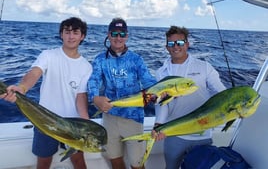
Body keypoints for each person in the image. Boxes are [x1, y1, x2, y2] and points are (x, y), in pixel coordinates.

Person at [0, 17, 92, 169]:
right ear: (61, 34)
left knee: (79, 161)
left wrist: (86, 121)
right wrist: (22, 88)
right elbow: (35, 73)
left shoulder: (86, 66)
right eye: (67, 32)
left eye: (75, 32)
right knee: (43, 162)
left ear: (82, 36)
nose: (71, 36)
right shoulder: (48, 55)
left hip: (73, 125)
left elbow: (80, 97)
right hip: (44, 120)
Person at [153, 25, 226, 169]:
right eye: (171, 43)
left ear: (187, 44)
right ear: (166, 47)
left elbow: (221, 93)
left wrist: (235, 107)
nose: (175, 47)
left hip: (202, 134)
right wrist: (159, 123)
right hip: (174, 134)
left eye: (180, 42)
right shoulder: (161, 72)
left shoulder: (204, 67)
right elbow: (162, 103)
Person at [88, 17, 157, 169]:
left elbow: (148, 81)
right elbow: (93, 81)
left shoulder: (136, 59)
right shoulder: (100, 59)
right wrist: (94, 98)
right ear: (108, 35)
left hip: (133, 118)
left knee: (137, 164)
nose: (118, 38)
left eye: (122, 34)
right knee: (115, 160)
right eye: (114, 33)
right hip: (109, 117)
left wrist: (158, 92)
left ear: (127, 36)